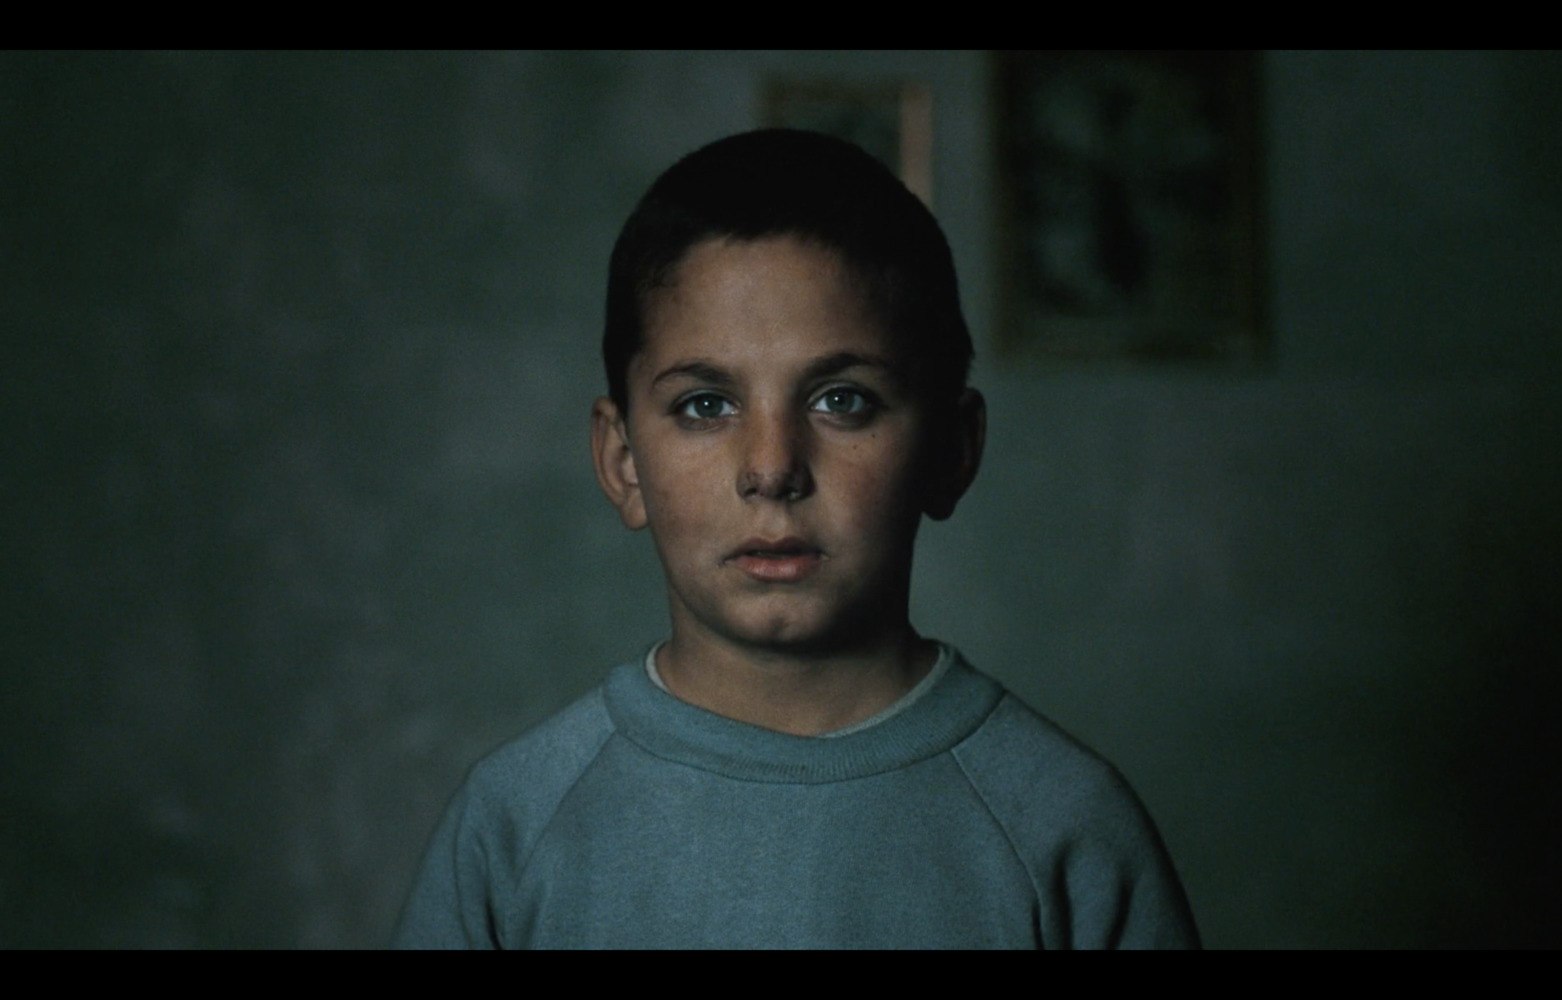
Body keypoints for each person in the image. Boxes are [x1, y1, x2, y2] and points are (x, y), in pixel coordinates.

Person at [392, 129, 1199, 949]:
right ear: (623, 460)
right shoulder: (515, 825)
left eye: (841, 400)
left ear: (952, 450)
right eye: (706, 405)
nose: (772, 468)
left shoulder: (1066, 829)